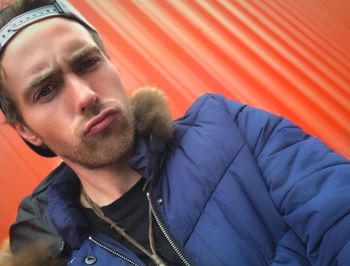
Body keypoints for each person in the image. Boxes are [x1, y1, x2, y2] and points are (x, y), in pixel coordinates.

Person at [0, 0, 349, 265]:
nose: (85, 95)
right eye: (46, 90)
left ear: (111, 63)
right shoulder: (53, 255)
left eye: (87, 63)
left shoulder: (231, 128)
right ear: (28, 131)